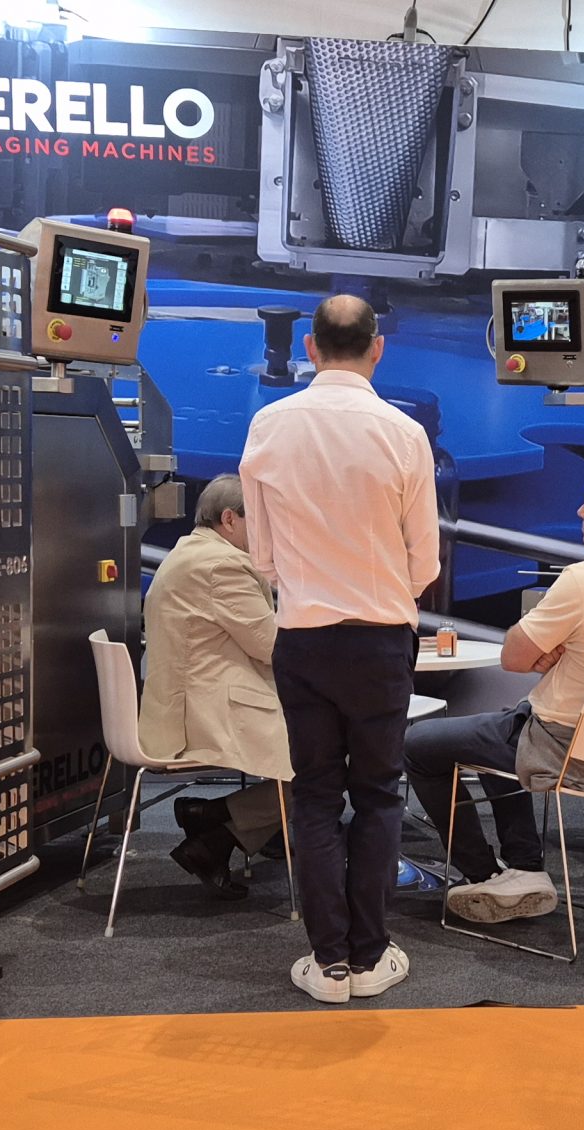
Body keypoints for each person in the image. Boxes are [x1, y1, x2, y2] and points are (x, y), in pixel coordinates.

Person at [239, 294, 439, 1004]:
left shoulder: (268, 425)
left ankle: (328, 965)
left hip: (304, 639)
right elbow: (425, 561)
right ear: (377, 347)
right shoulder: (405, 433)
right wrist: (383, 594)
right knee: (379, 795)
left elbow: (262, 558)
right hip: (382, 641)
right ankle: (370, 955)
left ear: (310, 348)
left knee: (315, 796)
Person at [406, 456, 584, 924]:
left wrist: (549, 649)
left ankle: (482, 873)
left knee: (418, 745)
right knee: (500, 727)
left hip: (564, 748)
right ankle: (523, 867)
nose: (579, 511)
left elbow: (514, 657)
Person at [139, 475, 294, 900]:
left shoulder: (191, 551)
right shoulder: (221, 566)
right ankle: (217, 824)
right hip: (207, 711)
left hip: (192, 701)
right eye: (262, 522)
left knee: (327, 752)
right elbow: (273, 647)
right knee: (330, 763)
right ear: (230, 519)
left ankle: (217, 828)